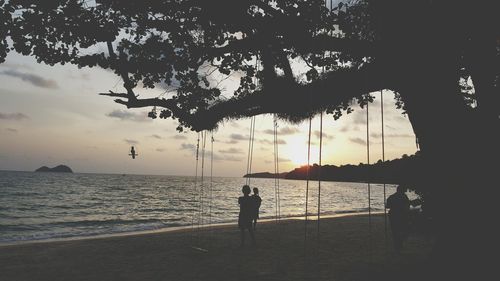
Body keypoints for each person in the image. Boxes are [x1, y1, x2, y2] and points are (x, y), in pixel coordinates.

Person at [386, 184, 411, 253]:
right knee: (401, 230)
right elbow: (407, 205)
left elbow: (387, 206)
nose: (405, 191)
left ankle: (398, 245)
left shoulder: (391, 197)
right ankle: (399, 245)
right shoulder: (404, 197)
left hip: (394, 216)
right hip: (401, 216)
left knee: (395, 231)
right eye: (404, 190)